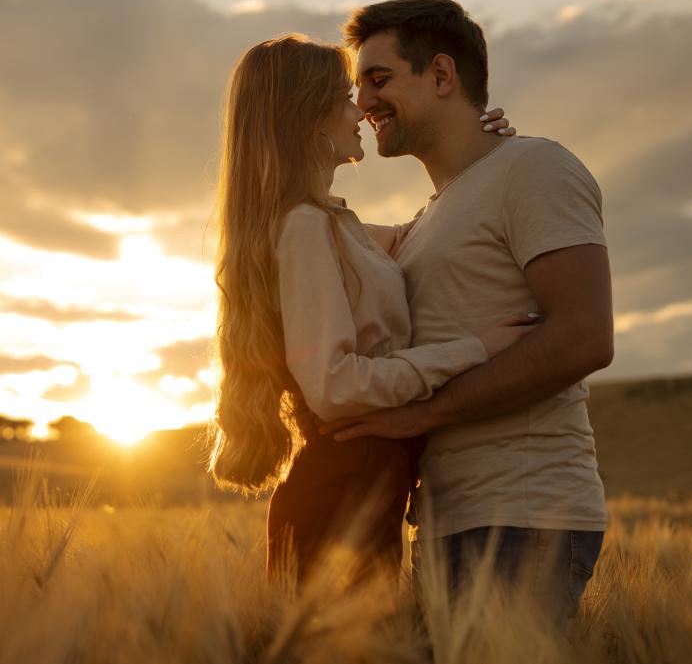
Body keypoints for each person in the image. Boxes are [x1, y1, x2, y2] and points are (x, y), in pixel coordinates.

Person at [321, 0, 614, 626]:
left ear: (443, 76)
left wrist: (421, 415)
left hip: (523, 512)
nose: (364, 102)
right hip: (449, 519)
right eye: (358, 87)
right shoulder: (427, 219)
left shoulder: (534, 167)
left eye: (378, 79)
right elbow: (313, 233)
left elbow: (584, 338)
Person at [205, 33, 532, 582]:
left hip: (365, 486)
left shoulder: (334, 226)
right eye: (341, 96)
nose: (358, 108)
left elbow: (434, 232)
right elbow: (334, 386)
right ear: (306, 119)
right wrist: (476, 350)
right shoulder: (305, 228)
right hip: (341, 493)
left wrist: (480, 155)